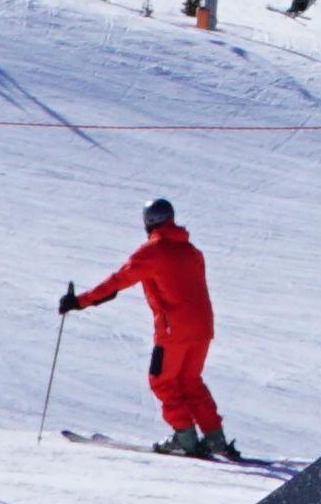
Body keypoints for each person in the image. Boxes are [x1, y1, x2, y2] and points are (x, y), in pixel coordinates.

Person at [67, 197, 236, 460]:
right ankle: (215, 438)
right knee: (190, 381)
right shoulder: (192, 252)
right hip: (202, 328)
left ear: (149, 222)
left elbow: (118, 281)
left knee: (163, 381)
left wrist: (80, 302)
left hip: (173, 331)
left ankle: (186, 438)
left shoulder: (152, 251)